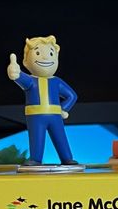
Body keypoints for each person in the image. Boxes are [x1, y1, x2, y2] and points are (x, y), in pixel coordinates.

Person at [7, 35, 78, 165]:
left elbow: (72, 96)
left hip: (55, 116)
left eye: (51, 53)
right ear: (26, 62)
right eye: (38, 53)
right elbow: (20, 78)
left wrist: (64, 108)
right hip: (36, 116)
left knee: (60, 138)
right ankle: (35, 159)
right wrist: (15, 73)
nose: (45, 58)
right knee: (36, 138)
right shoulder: (31, 81)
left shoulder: (56, 82)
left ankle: (67, 158)